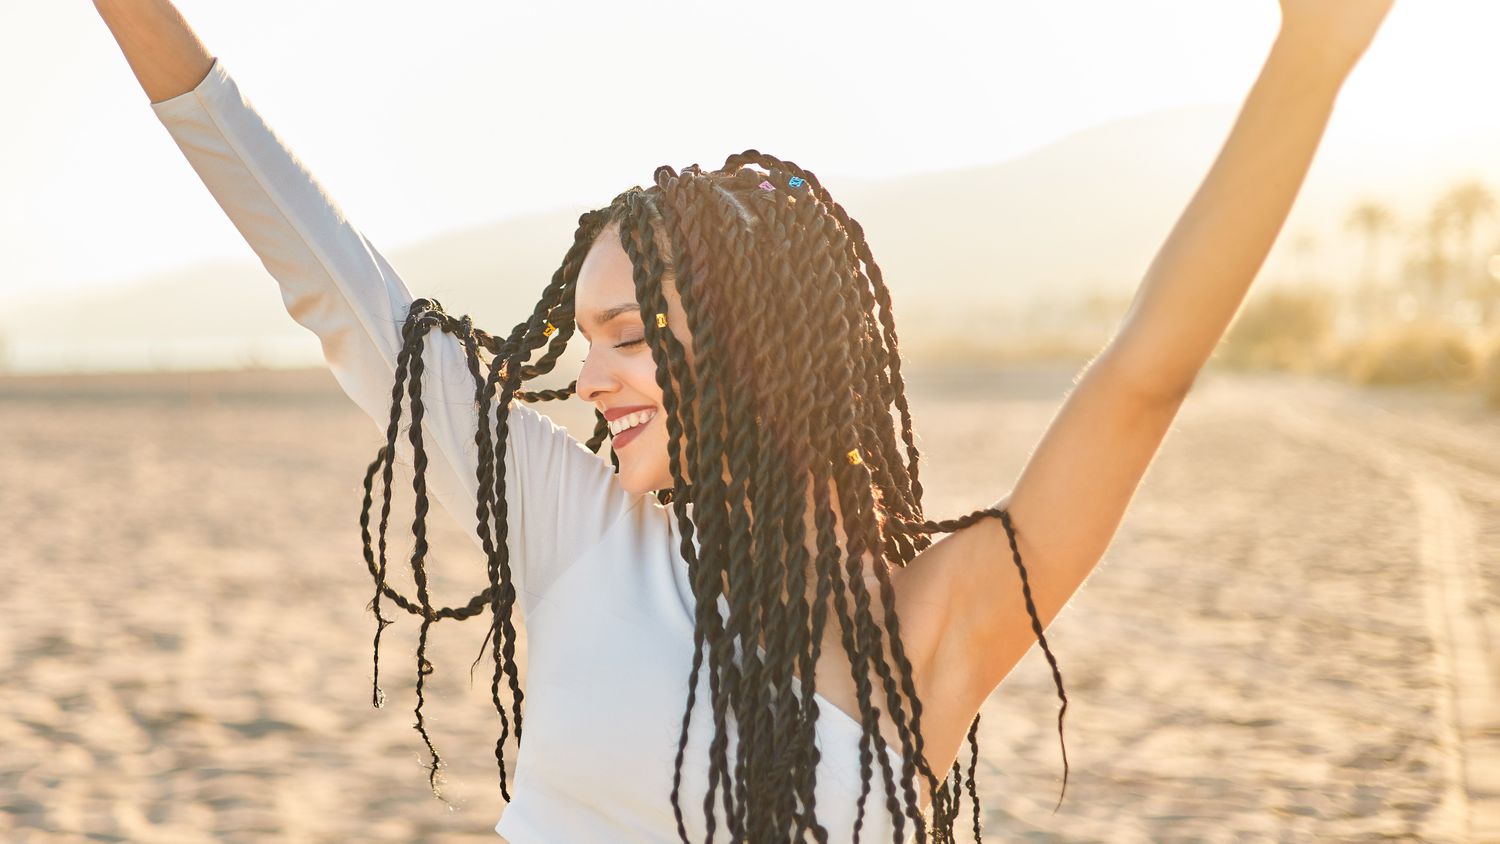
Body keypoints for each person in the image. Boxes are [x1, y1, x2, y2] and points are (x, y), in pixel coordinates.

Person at [94, 1, 1394, 841]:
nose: (591, 381)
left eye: (632, 338)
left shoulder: (935, 626)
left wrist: (1310, 61)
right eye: (583, 335)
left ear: (759, 354)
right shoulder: (575, 522)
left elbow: (1138, 381)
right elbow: (339, 287)